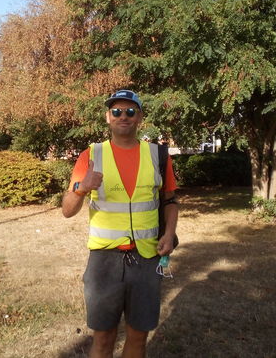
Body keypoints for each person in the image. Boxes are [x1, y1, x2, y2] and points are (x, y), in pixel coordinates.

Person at [62, 89, 179, 358]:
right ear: (107, 117)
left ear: (140, 117)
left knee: (138, 337)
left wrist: (170, 233)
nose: (123, 116)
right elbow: (67, 211)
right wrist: (81, 188)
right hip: (104, 262)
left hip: (147, 259)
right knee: (103, 338)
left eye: (130, 111)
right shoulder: (91, 156)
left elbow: (170, 201)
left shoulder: (158, 156)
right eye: (116, 111)